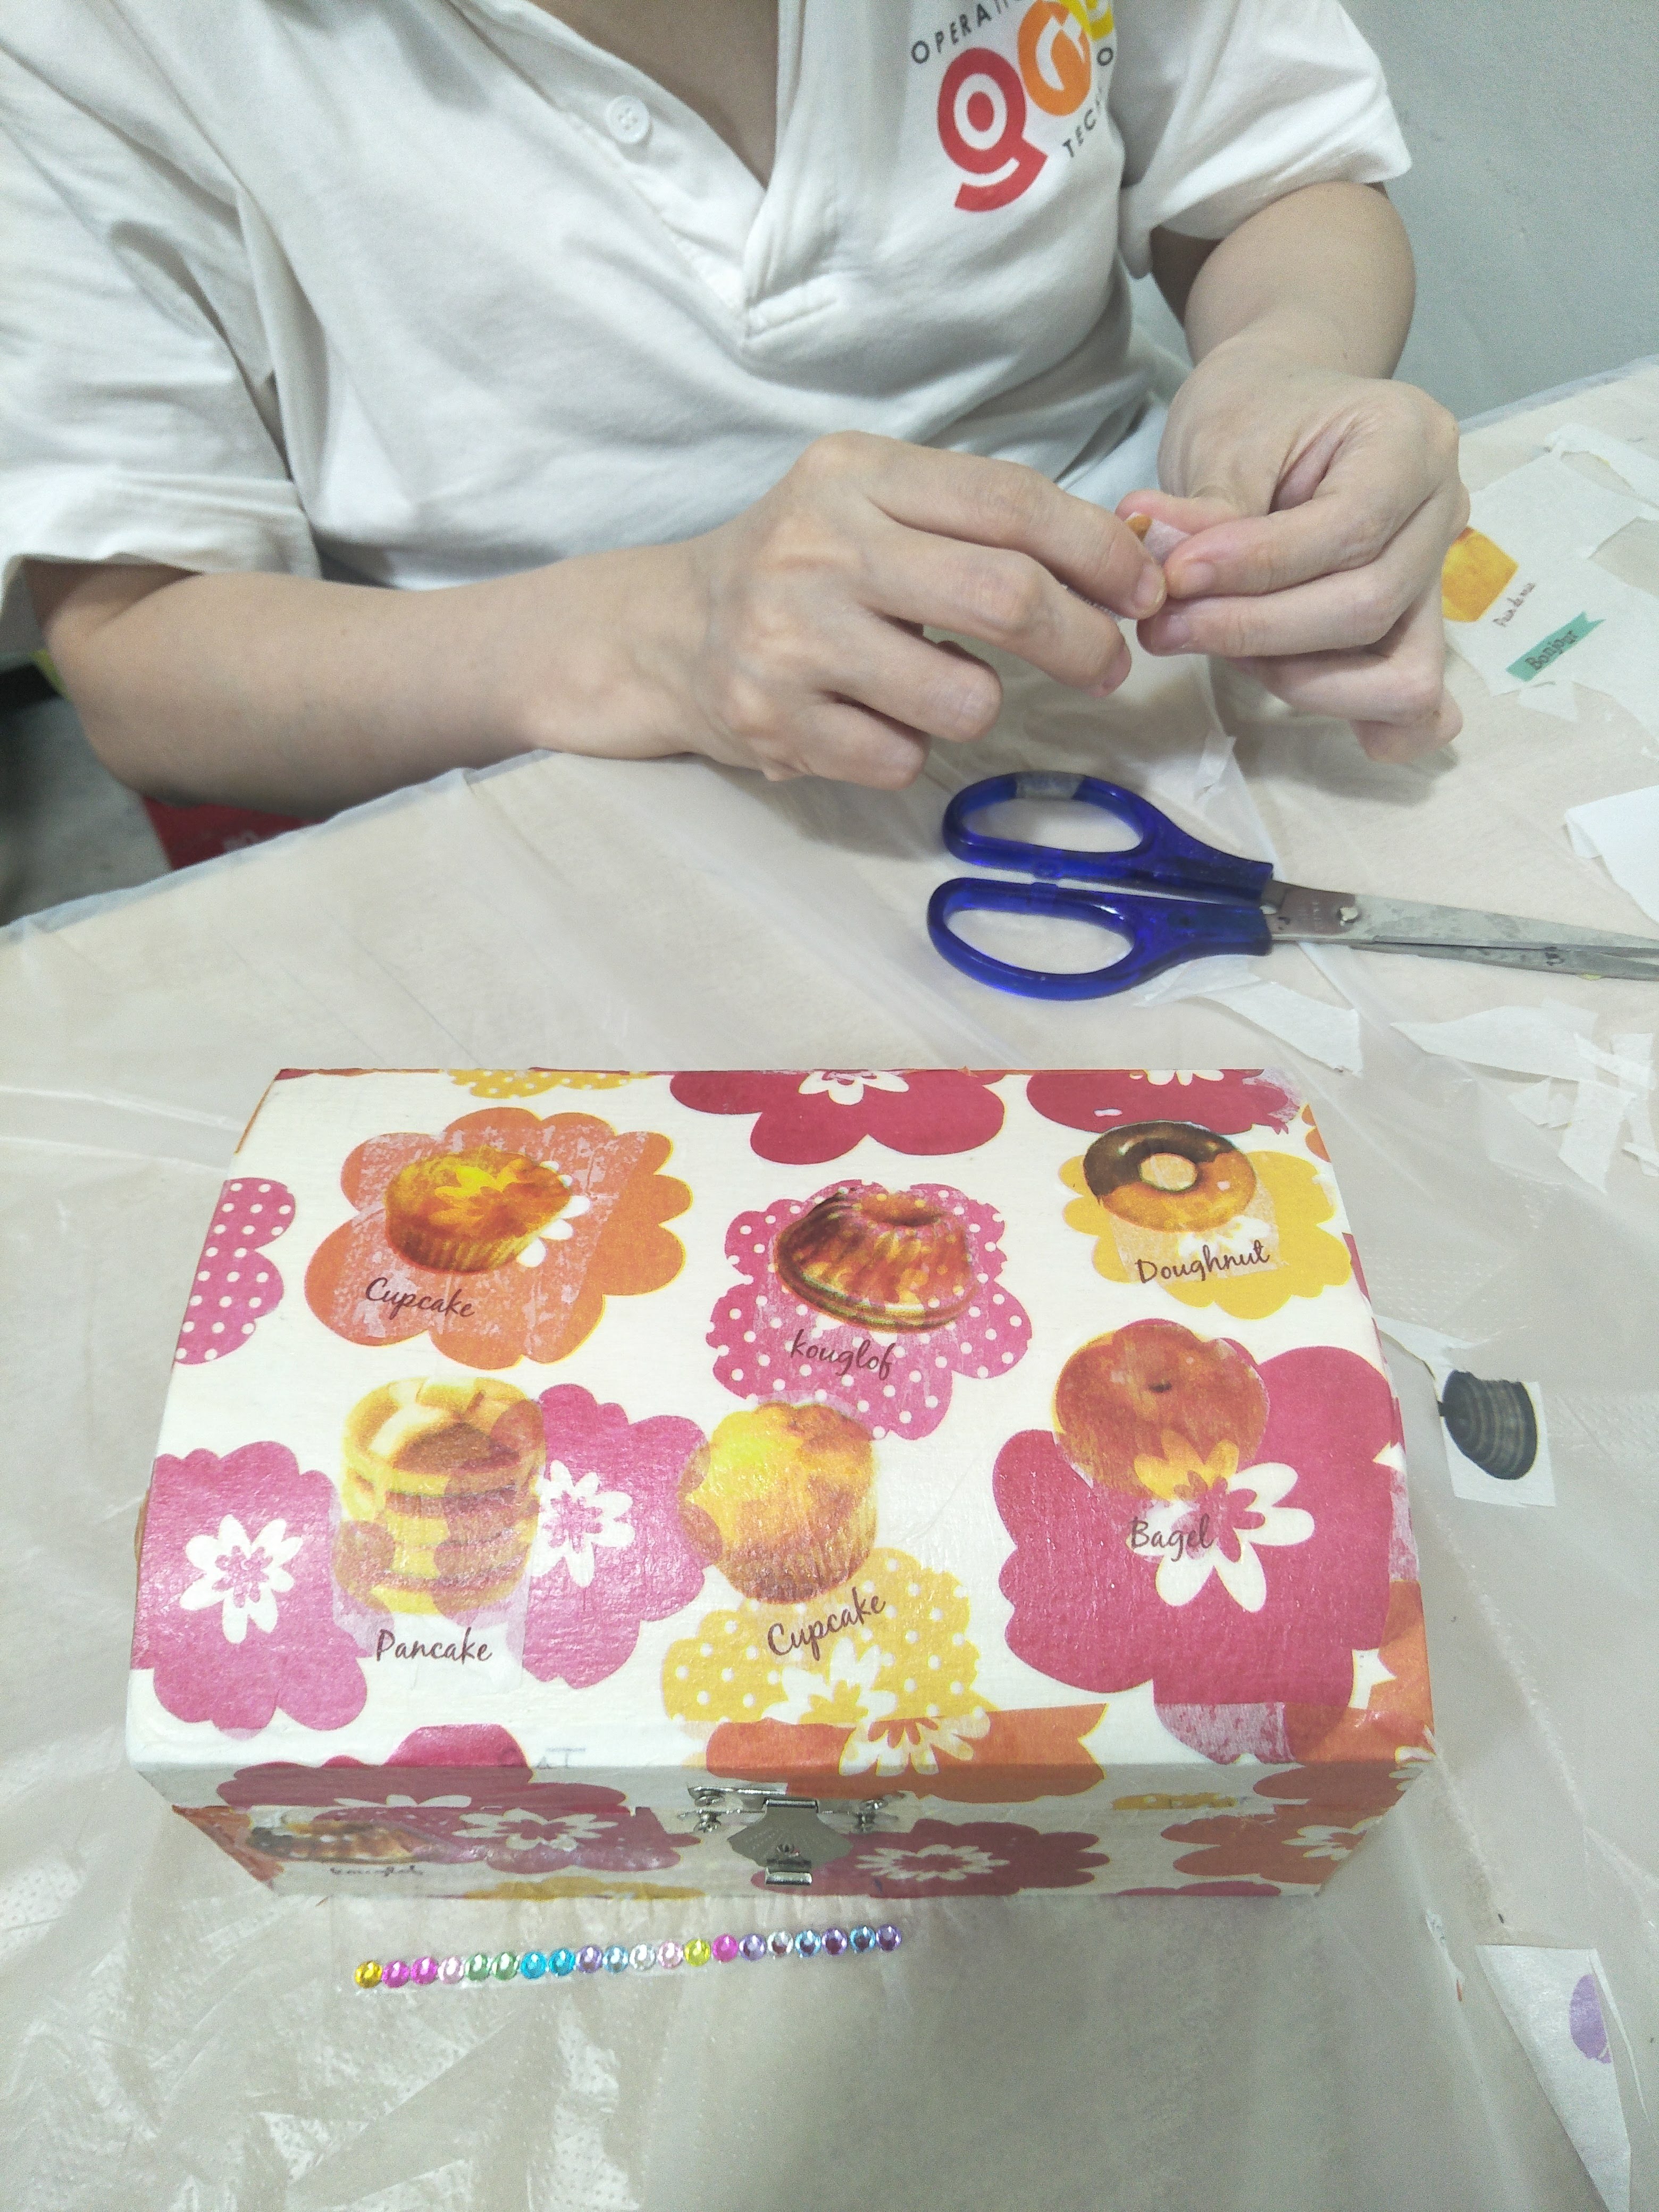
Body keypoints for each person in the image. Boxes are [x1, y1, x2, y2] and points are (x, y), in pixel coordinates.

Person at [0, 1, 1467, 816]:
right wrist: (665, 632)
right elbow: (140, 649)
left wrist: (1283, 361)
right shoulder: (93, 40)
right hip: (569, 783)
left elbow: (1272, 176)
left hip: (1158, 670)